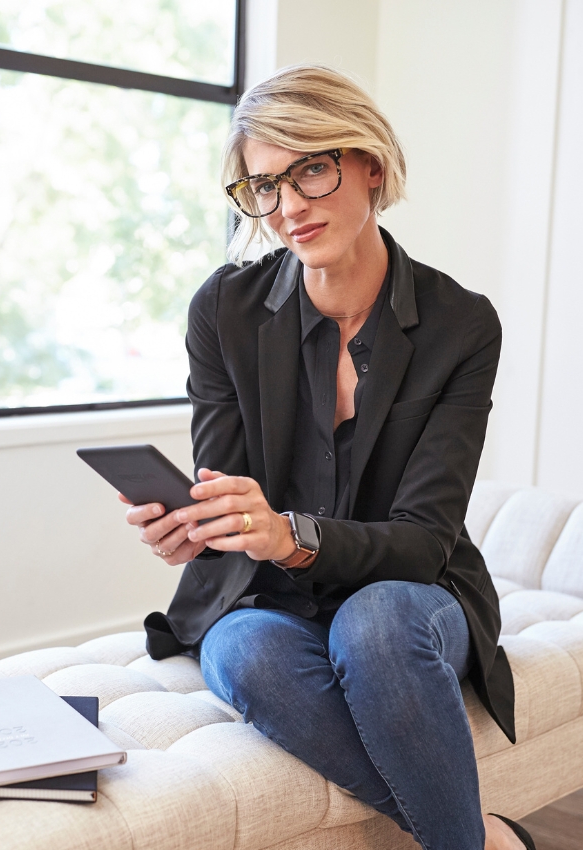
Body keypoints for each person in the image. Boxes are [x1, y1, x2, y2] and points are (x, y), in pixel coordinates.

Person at [121, 66, 535, 850]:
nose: (289, 208)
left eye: (311, 168)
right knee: (242, 650)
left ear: (370, 165)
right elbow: (228, 485)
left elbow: (423, 538)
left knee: (374, 627)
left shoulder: (461, 324)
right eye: (263, 186)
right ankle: (476, 837)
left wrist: (292, 534)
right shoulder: (225, 310)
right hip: (273, 599)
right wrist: (199, 525)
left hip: (416, 592)